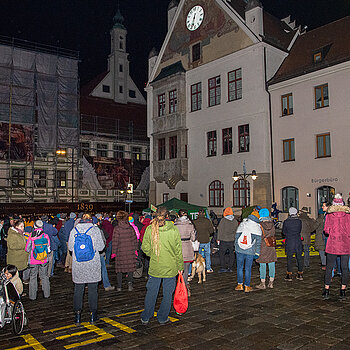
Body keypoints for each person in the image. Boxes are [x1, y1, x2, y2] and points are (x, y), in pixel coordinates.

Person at [141, 207, 183, 325]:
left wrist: (153, 255)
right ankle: (162, 317)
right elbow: (178, 250)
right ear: (167, 217)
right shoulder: (174, 230)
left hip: (155, 267)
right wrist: (180, 266)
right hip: (170, 267)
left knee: (151, 293)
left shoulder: (150, 229)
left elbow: (144, 248)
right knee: (167, 294)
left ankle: (146, 316)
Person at [68, 213, 105, 325]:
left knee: (78, 290)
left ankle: (78, 316)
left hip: (79, 265)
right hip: (92, 265)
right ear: (90, 220)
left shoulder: (74, 231)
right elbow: (101, 247)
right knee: (93, 291)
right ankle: (93, 315)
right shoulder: (95, 230)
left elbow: (70, 247)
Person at [322, 194, 350, 299]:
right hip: (345, 245)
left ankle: (326, 289)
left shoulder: (329, 216)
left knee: (329, 268)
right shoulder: (348, 216)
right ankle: (343, 290)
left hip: (333, 245)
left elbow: (326, 231)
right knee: (344, 268)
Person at [235, 211, 262, 292]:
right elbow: (258, 242)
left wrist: (236, 248)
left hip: (239, 250)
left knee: (239, 268)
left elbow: (236, 237)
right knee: (248, 269)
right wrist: (257, 253)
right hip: (250, 251)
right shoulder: (257, 227)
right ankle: (247, 286)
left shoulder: (243, 224)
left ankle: (240, 285)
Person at [112, 211, 138, 292]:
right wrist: (135, 250)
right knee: (130, 269)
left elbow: (115, 241)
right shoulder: (130, 228)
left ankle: (119, 286)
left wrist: (114, 252)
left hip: (120, 252)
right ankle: (130, 285)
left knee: (119, 270)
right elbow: (134, 240)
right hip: (130, 251)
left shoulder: (117, 229)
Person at [25, 220, 51, 300]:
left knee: (33, 277)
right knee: (44, 276)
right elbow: (48, 249)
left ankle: (32, 296)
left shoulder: (31, 235)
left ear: (35, 226)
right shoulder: (45, 235)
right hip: (43, 259)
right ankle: (46, 294)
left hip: (33, 260)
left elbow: (27, 249)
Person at [174, 209, 195, 296]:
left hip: (178, 248)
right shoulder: (190, 225)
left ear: (178, 215)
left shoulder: (175, 225)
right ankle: (185, 285)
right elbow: (193, 238)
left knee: (177, 269)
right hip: (187, 248)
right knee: (186, 269)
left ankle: (178, 286)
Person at [256, 209, 277, 289]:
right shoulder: (272, 224)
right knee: (271, 264)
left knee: (262, 264)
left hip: (263, 246)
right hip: (271, 245)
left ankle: (263, 283)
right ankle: (271, 282)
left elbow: (258, 236)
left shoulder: (259, 225)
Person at [282, 207, 303, 281]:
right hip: (297, 241)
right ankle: (300, 273)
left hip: (290, 241)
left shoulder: (286, 222)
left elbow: (284, 232)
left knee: (289, 258)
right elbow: (300, 230)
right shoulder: (299, 221)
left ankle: (289, 274)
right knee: (299, 258)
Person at [217, 207, 238, 273]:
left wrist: (218, 238)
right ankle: (230, 267)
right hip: (232, 240)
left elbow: (220, 230)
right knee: (231, 254)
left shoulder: (223, 220)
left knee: (222, 254)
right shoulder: (235, 221)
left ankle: (223, 267)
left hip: (223, 240)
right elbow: (236, 231)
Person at [193, 208, 214, 273]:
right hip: (206, 240)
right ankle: (208, 268)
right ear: (204, 213)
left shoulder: (195, 221)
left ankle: (198, 267)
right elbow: (211, 231)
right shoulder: (207, 221)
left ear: (198, 214)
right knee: (207, 254)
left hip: (198, 241)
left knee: (198, 255)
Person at [314, 203, 329, 270]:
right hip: (325, 236)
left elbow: (314, 226)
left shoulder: (320, 219)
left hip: (320, 236)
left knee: (321, 250)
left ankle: (324, 263)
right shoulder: (327, 217)